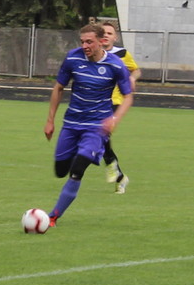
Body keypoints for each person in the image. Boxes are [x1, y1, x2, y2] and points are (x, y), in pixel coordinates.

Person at [36, 20, 134, 229]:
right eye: (82, 42)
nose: (85, 46)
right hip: (71, 124)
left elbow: (128, 97)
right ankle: (82, 154)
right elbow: (58, 88)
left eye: (89, 42)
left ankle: (52, 217)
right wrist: (50, 121)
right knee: (60, 170)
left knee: (78, 169)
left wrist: (114, 119)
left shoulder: (115, 65)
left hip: (96, 127)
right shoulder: (73, 58)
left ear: (101, 41)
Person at [96, 20, 139, 194]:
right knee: (99, 138)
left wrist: (132, 78)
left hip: (115, 102)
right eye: (103, 32)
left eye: (109, 33)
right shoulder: (92, 53)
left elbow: (135, 69)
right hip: (95, 102)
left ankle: (115, 171)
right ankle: (119, 176)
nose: (106, 35)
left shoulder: (121, 53)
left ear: (115, 37)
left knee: (101, 133)